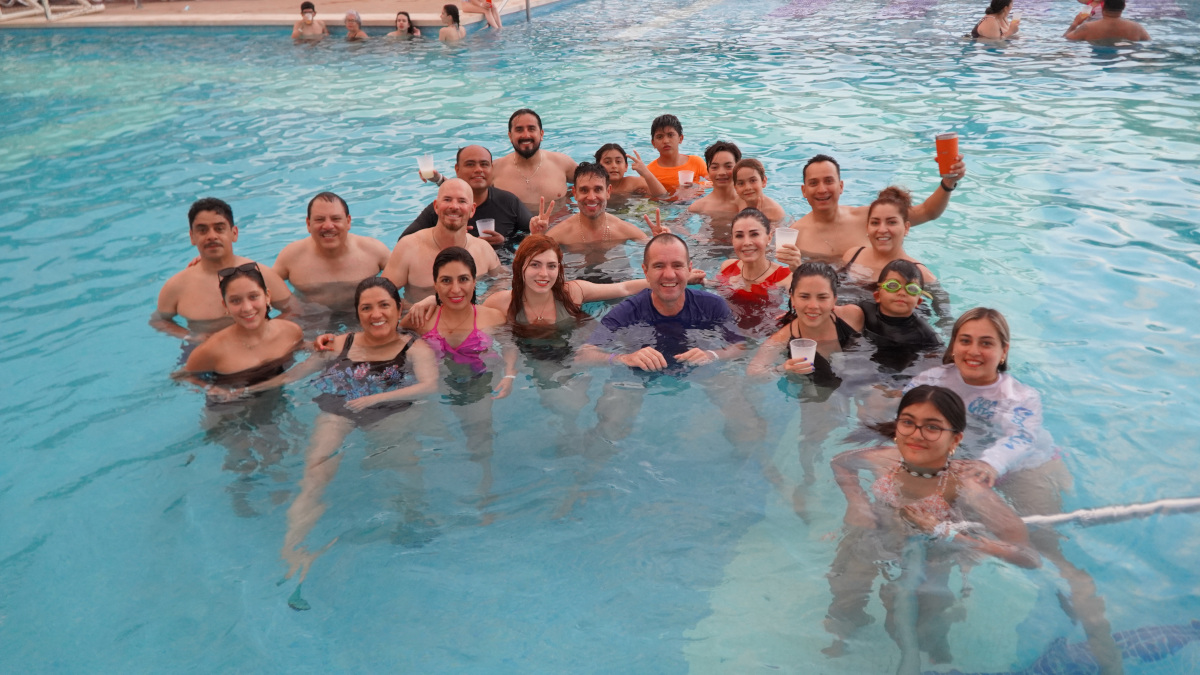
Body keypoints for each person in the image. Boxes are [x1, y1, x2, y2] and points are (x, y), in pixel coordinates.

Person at [905, 308, 1122, 675]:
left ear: (1004, 351)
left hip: (1024, 468)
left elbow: (1020, 437)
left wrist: (990, 464)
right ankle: (933, 655)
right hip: (962, 468)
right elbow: (905, 422)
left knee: (1049, 553)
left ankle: (1104, 652)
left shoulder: (1020, 395)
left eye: (986, 343)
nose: (974, 350)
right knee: (938, 550)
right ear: (953, 345)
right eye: (965, 340)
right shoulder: (931, 381)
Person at [826, 386, 1039, 673]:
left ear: (956, 438)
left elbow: (1028, 557)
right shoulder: (885, 459)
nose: (916, 434)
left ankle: (938, 652)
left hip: (932, 557)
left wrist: (949, 534)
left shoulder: (967, 488)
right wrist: (857, 503)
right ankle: (843, 637)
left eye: (932, 427)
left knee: (913, 628)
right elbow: (840, 462)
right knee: (844, 595)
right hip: (875, 536)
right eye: (908, 422)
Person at [261, 277, 440, 586]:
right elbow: (293, 375)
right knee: (315, 471)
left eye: (384, 305)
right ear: (357, 313)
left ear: (398, 308)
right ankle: (294, 550)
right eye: (366, 308)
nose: (376, 314)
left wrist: (376, 399)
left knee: (402, 464)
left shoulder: (414, 347)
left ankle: (410, 519)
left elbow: (429, 385)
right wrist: (245, 390)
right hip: (339, 409)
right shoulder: (340, 343)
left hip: (390, 409)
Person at [576, 234, 747, 435]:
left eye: (677, 265)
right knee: (611, 418)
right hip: (639, 374)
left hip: (700, 370)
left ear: (689, 269)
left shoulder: (712, 305)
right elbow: (583, 355)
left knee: (743, 414)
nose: (669, 275)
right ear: (645, 272)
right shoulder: (628, 311)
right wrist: (622, 358)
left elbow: (740, 347)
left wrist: (713, 355)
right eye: (659, 266)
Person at [153, 197, 293, 345]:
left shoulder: (262, 275)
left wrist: (263, 332)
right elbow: (160, 321)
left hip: (261, 348)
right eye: (202, 230)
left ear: (234, 233)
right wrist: (190, 336)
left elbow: (295, 311)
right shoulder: (176, 287)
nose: (211, 236)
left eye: (219, 229)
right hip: (202, 352)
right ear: (192, 237)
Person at [777, 154, 966, 262]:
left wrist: (948, 183)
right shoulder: (794, 235)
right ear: (804, 190)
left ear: (841, 186)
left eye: (829, 181)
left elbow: (927, 212)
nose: (822, 189)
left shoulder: (872, 218)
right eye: (813, 183)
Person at [403, 145, 548, 250]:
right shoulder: (443, 209)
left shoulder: (508, 202)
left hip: (500, 269)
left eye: (484, 164)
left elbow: (534, 237)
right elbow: (404, 241)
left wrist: (505, 241)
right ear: (457, 169)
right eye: (470, 164)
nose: (478, 170)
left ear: (492, 169)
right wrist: (444, 236)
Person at [382, 179, 502, 303]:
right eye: (447, 200)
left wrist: (480, 302)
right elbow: (381, 295)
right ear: (436, 206)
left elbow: (503, 280)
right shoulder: (408, 248)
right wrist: (414, 309)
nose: (454, 206)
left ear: (472, 210)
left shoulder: (483, 249)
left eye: (462, 201)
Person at [273, 191, 390, 312]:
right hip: (312, 317)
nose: (328, 226)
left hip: (363, 315)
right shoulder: (291, 256)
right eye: (319, 219)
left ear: (348, 221)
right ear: (308, 224)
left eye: (336, 219)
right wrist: (292, 310)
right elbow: (265, 286)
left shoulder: (374, 251)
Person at [544, 163, 666, 246]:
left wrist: (661, 241)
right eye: (584, 190)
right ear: (575, 193)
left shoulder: (623, 229)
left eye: (598, 189)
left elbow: (654, 253)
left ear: (608, 191)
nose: (591, 197)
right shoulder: (559, 234)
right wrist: (537, 235)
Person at [715, 208, 791, 333]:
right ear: (732, 240)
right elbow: (715, 290)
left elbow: (804, 305)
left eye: (754, 234)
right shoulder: (727, 267)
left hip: (766, 334)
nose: (746, 242)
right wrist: (698, 281)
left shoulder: (785, 277)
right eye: (739, 236)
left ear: (769, 237)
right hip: (727, 331)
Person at [842, 186, 937, 285]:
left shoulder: (921, 274)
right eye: (875, 223)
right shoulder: (852, 256)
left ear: (906, 227)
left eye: (891, 222)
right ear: (867, 227)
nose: (882, 230)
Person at [493, 109, 578, 214]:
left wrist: (569, 195)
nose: (526, 135)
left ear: (541, 134)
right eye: (519, 130)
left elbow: (593, 185)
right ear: (510, 136)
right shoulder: (494, 170)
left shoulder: (563, 163)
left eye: (531, 129)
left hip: (559, 223)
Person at [645, 114, 708, 194]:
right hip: (665, 201)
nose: (666, 141)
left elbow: (716, 182)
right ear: (653, 143)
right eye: (660, 137)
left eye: (670, 135)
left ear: (680, 139)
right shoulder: (649, 171)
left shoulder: (696, 162)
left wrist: (698, 185)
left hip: (695, 200)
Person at [688, 141, 743, 217]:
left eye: (728, 166)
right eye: (714, 167)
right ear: (708, 171)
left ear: (738, 168)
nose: (721, 173)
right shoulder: (697, 207)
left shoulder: (749, 203)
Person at [594, 143, 667, 197]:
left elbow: (663, 195)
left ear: (626, 167)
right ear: (598, 166)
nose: (614, 166)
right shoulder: (593, 185)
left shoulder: (633, 183)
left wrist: (645, 172)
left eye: (618, 161)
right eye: (607, 162)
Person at [733, 159, 786, 224]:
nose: (747, 188)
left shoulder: (775, 212)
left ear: (764, 181)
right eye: (741, 183)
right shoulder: (737, 201)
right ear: (735, 188)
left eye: (753, 181)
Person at [1065, 0, 1149, 41]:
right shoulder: (1136, 28)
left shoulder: (1087, 28)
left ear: (1103, 5)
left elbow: (1067, 39)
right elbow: (1148, 41)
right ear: (1124, 6)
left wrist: (1075, 24)